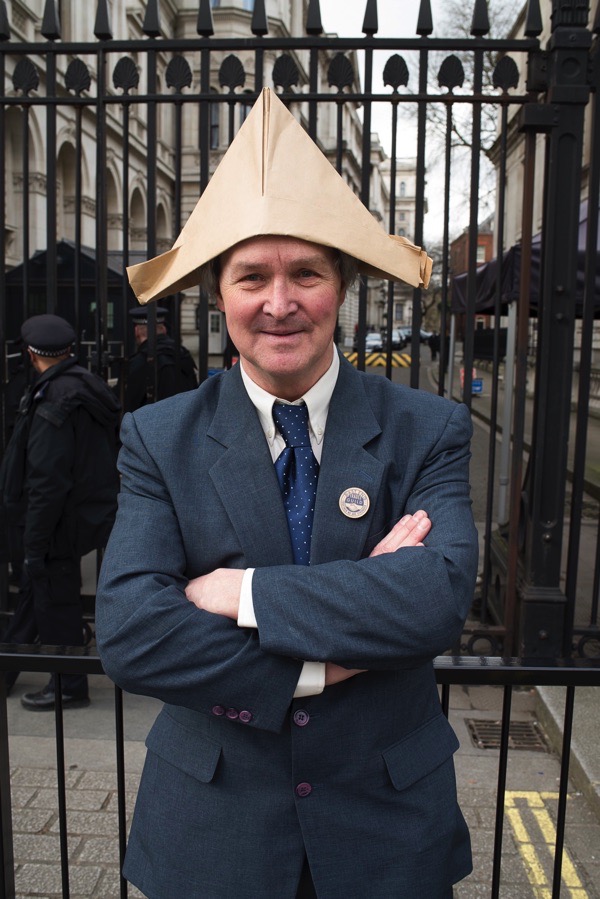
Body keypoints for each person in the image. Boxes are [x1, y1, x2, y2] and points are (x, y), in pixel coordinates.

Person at [96, 89, 479, 898]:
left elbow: (434, 597)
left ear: (339, 285)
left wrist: (243, 593)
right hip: (215, 831)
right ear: (219, 295)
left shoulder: (427, 426)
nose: (279, 303)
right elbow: (132, 632)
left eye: (305, 271)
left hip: (388, 829)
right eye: (251, 277)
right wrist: (329, 661)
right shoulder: (158, 437)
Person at [0, 314, 120, 709]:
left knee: (55, 598)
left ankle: (69, 684)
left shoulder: (54, 396)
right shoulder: (81, 385)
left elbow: (47, 479)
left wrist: (34, 539)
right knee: (39, 597)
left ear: (32, 354)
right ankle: (10, 671)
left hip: (54, 522)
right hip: (76, 515)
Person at [118, 306, 197, 412]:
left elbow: (127, 405)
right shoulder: (182, 355)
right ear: (164, 330)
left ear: (136, 331)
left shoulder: (138, 362)